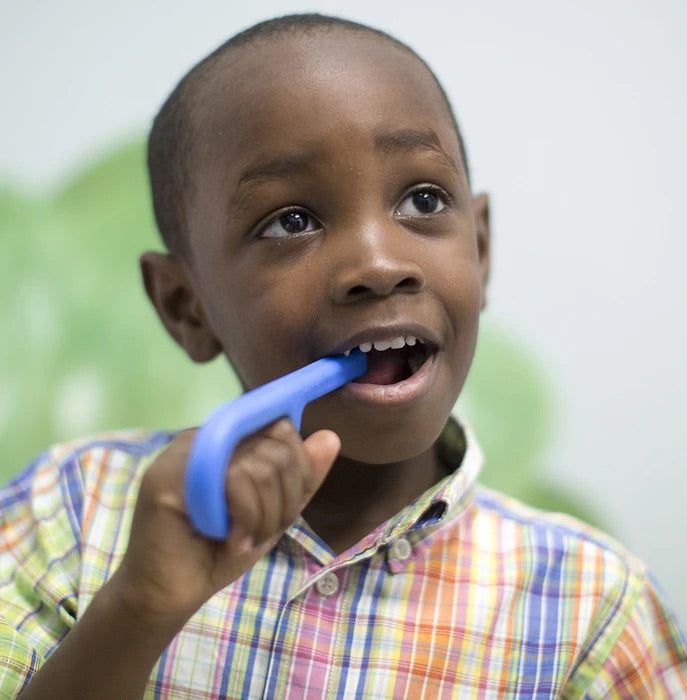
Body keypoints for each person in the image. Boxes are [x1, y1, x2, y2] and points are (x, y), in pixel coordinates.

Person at [1, 13, 686, 699]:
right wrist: (138, 609)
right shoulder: (69, 513)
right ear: (187, 306)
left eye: (422, 199)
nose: (379, 264)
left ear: (478, 248)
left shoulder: (592, 608)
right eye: (290, 221)